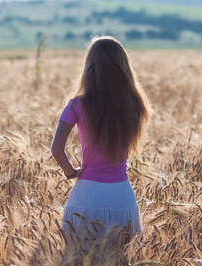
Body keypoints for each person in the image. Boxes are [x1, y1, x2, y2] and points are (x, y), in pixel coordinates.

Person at [51, 36, 150, 249]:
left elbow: (56, 149)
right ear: (123, 67)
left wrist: (70, 172)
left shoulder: (76, 105)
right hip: (122, 197)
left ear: (90, 67)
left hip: (86, 197)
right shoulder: (135, 104)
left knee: (80, 263)